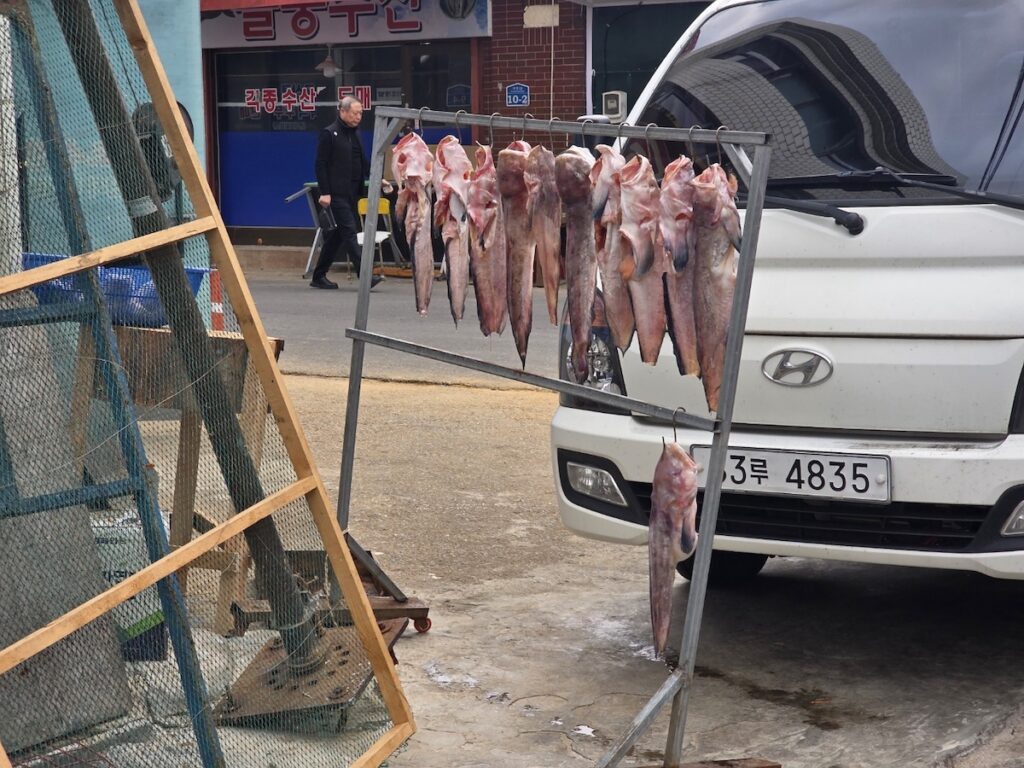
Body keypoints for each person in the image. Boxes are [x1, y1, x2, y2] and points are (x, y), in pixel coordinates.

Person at [311, 96, 382, 289]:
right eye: (355, 113)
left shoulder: (355, 134)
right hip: (335, 193)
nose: (359, 116)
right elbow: (320, 164)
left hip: (352, 192)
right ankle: (365, 276)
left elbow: (362, 161)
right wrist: (324, 192)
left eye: (360, 113)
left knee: (337, 237)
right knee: (350, 232)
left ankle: (318, 276)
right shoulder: (329, 133)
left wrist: (377, 178)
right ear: (342, 111)